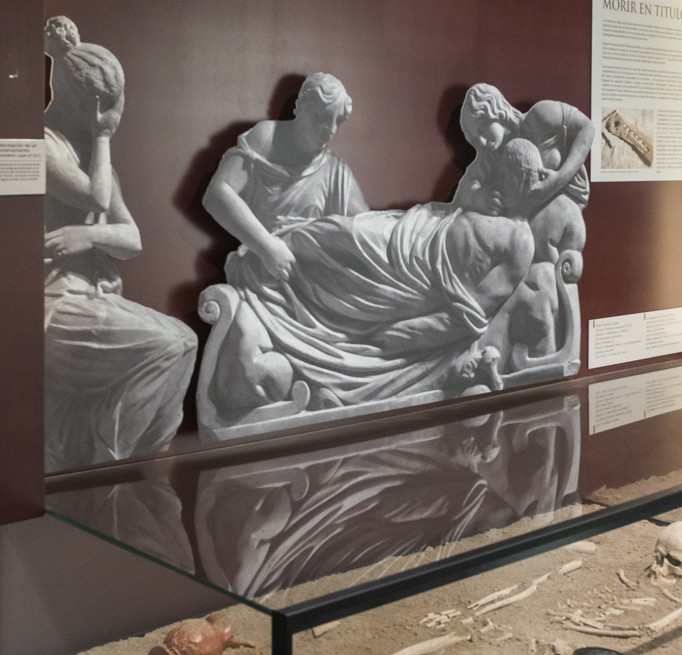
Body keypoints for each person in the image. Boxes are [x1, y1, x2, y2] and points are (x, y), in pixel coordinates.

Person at [198, 139, 545, 421]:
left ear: (530, 182)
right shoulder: (490, 194)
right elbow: (460, 197)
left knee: (342, 268)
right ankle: (262, 259)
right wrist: (473, 197)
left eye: (517, 176)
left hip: (419, 283)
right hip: (412, 231)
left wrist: (405, 334)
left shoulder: (520, 241)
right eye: (506, 171)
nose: (506, 181)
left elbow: (473, 313)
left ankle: (278, 293)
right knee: (344, 232)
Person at [43, 19, 196, 471]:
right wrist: (105, 137)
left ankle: (134, 460)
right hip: (54, 300)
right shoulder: (41, 148)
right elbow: (95, 197)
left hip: (95, 297)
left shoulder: (95, 161)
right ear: (83, 104)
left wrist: (87, 235)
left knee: (184, 341)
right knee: (167, 346)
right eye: (107, 107)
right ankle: (105, 463)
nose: (114, 117)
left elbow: (131, 239)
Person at [202, 72, 368, 282]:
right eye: (321, 117)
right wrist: (267, 248)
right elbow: (217, 194)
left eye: (338, 122)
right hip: (268, 268)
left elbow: (364, 230)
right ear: (300, 107)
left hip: (317, 273)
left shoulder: (336, 172)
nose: (331, 130)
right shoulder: (266, 139)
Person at [453, 83, 595, 217]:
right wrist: (478, 198)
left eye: (482, 129)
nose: (483, 142)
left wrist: (557, 180)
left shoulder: (540, 116)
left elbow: (587, 128)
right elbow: (463, 191)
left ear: (495, 110)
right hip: (525, 222)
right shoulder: (491, 154)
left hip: (566, 207)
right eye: (477, 138)